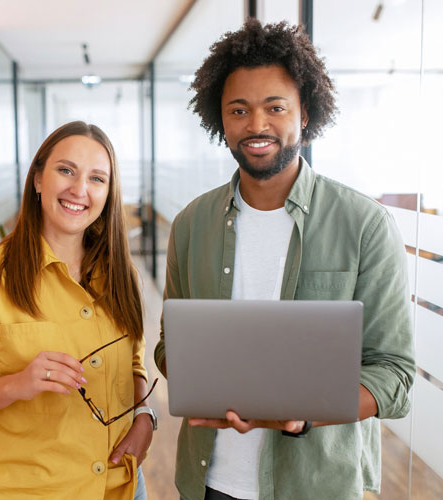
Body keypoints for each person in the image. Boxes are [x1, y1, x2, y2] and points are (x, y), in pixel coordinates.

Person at [153, 20, 415, 500]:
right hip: (212, 481)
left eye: (276, 107)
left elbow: (393, 375)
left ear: (305, 114)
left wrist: (302, 412)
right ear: (221, 119)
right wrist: (216, 384)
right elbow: (171, 347)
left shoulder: (365, 224)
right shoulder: (191, 224)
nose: (256, 126)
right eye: (239, 110)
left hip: (318, 485)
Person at [0, 121, 159, 500]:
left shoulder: (121, 274)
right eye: (66, 170)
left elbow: (133, 363)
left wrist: (146, 417)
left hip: (123, 487)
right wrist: (17, 384)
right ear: (38, 178)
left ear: (109, 193)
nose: (79, 190)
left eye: (97, 178)